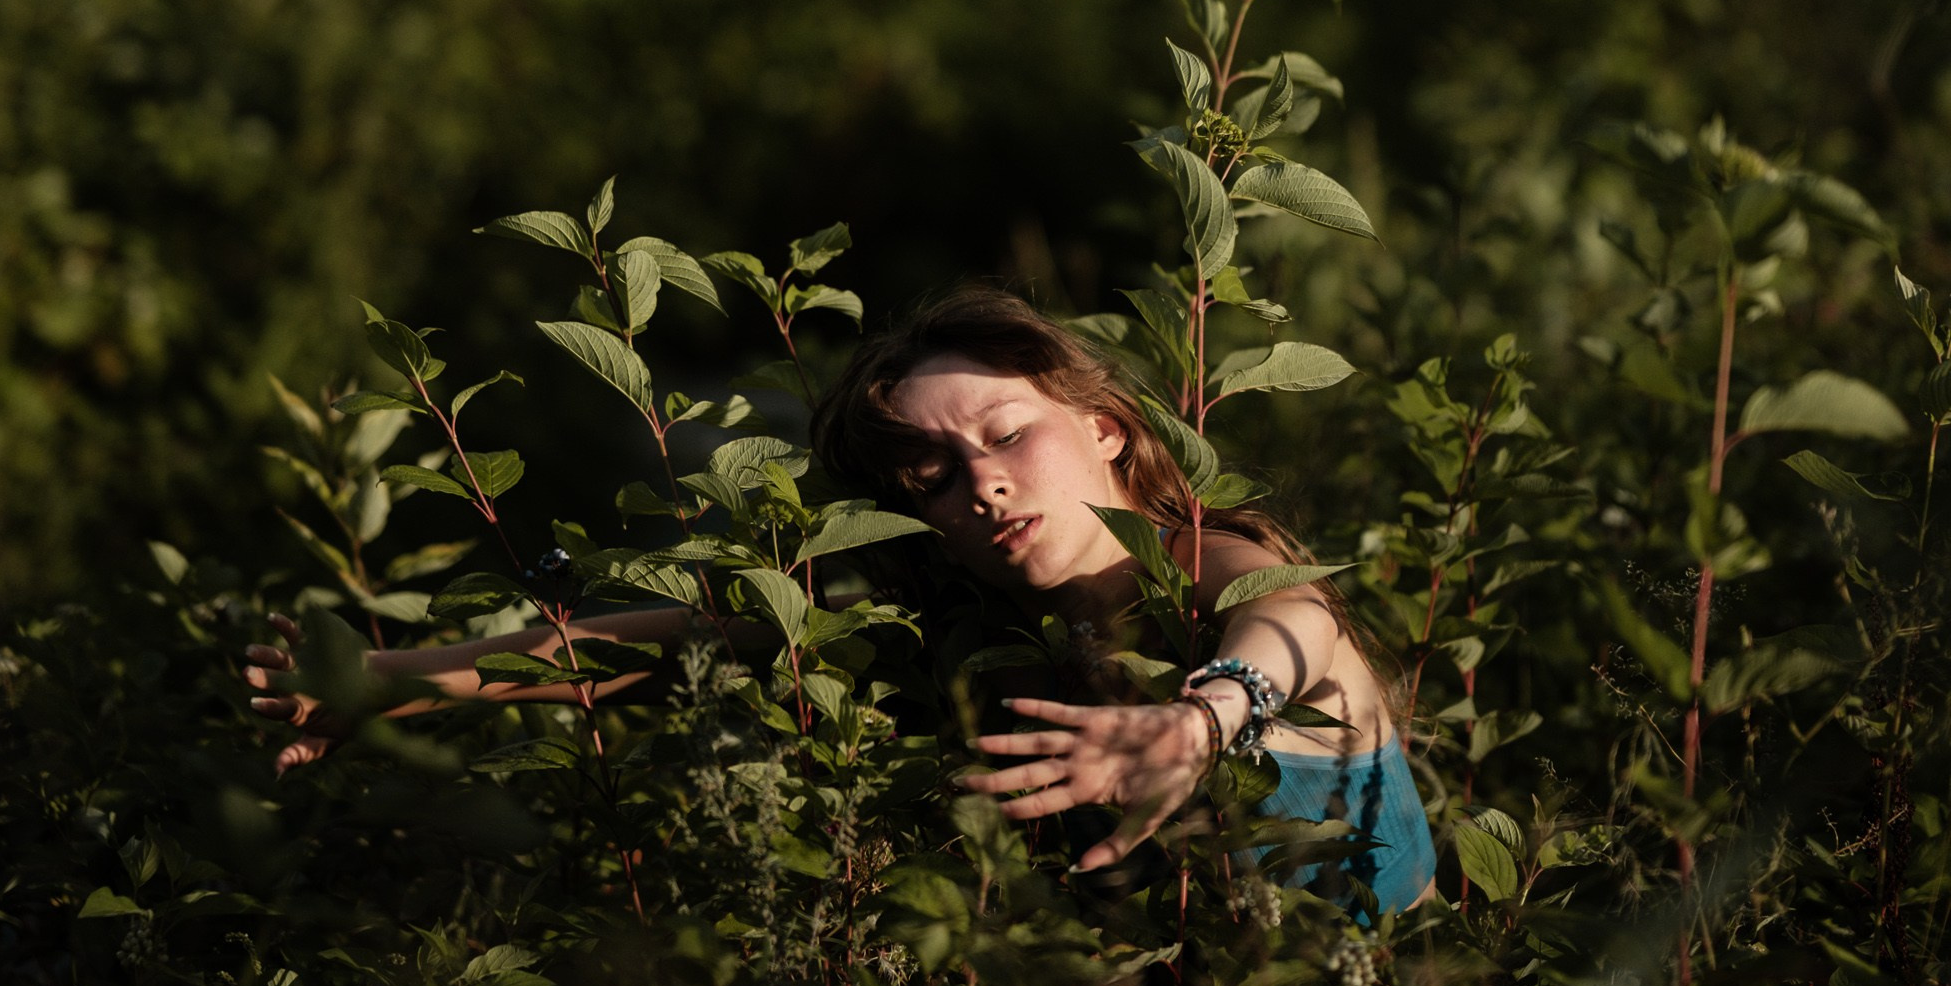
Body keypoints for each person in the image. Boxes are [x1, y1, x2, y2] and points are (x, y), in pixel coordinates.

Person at [244, 288, 1437, 918]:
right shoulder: (968, 634)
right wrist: (379, 683)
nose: (983, 478)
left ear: (1105, 428)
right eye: (932, 474)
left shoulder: (1211, 564)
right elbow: (656, 644)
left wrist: (1199, 719)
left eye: (1007, 432)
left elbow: (1295, 628)